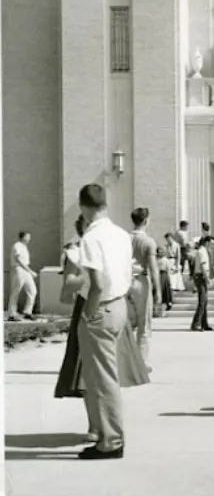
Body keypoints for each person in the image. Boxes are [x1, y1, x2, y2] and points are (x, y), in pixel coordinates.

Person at [54, 215, 149, 442]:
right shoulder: (76, 252)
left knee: (109, 371)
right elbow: (68, 285)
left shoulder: (108, 247)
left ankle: (106, 427)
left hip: (109, 304)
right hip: (89, 305)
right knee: (85, 370)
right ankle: (95, 425)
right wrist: (91, 279)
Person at [75, 183, 136, 459]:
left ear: (84, 208)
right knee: (103, 375)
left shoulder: (90, 238)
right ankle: (105, 434)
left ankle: (110, 441)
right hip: (119, 304)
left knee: (102, 379)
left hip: (101, 307)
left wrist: (87, 314)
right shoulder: (122, 235)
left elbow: (97, 285)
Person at [128, 207, 161, 370]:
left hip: (124, 281)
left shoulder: (124, 239)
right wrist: (158, 290)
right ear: (146, 221)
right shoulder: (148, 242)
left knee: (126, 323)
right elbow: (153, 267)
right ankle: (140, 361)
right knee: (144, 324)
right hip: (141, 280)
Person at [7, 231, 37, 321]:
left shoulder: (24, 247)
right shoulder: (17, 245)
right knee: (16, 291)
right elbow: (18, 259)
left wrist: (28, 271)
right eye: (28, 236)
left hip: (26, 270)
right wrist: (30, 271)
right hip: (18, 269)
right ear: (23, 237)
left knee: (33, 291)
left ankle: (27, 312)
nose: (29, 238)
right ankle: (12, 314)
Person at [191, 236, 214, 331]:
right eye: (212, 243)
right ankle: (196, 324)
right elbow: (203, 267)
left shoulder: (204, 251)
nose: (213, 246)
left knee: (204, 302)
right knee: (202, 301)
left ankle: (204, 323)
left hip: (202, 277)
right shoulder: (202, 251)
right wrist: (208, 279)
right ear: (206, 243)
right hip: (201, 277)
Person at [156, 247, 173, 314]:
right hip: (157, 275)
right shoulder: (155, 259)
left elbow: (168, 270)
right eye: (159, 251)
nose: (161, 253)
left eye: (162, 251)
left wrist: (169, 279)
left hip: (164, 276)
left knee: (165, 292)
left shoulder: (165, 260)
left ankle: (164, 309)